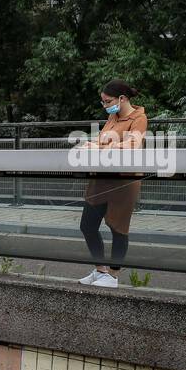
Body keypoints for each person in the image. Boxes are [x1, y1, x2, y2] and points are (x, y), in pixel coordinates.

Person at [78, 79, 147, 288]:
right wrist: (93, 144)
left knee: (119, 227)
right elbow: (104, 141)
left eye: (107, 101)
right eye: (104, 102)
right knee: (87, 225)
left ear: (122, 99)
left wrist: (100, 148)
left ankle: (113, 276)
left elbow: (133, 143)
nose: (105, 106)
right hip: (101, 177)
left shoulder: (139, 118)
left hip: (123, 181)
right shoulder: (112, 117)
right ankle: (100, 271)